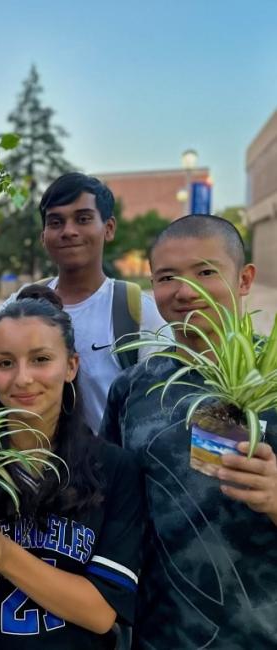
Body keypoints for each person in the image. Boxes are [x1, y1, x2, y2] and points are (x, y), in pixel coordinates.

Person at [0, 285, 145, 649]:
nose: (22, 379)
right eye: (4, 363)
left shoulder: (115, 469)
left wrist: (5, 556)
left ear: (71, 366)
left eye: (41, 360)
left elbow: (99, 613)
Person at [100, 214, 277, 648]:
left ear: (244, 278)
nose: (185, 292)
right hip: (161, 633)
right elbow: (112, 507)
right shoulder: (134, 388)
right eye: (166, 277)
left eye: (205, 272)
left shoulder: (271, 375)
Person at [0, 172, 167, 434]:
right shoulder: (27, 299)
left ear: (109, 228)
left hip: (107, 470)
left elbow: (163, 409)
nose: (69, 231)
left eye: (83, 219)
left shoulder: (135, 310)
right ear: (43, 236)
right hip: (33, 466)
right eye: (56, 222)